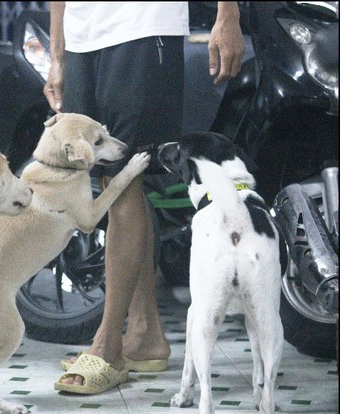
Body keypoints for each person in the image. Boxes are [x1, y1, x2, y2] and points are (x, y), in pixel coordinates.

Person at [44, 1, 245, 394]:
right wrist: (58, 53)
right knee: (110, 178)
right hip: (83, 32)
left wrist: (228, 14)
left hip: (143, 23)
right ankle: (145, 333)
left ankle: (108, 346)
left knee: (125, 177)